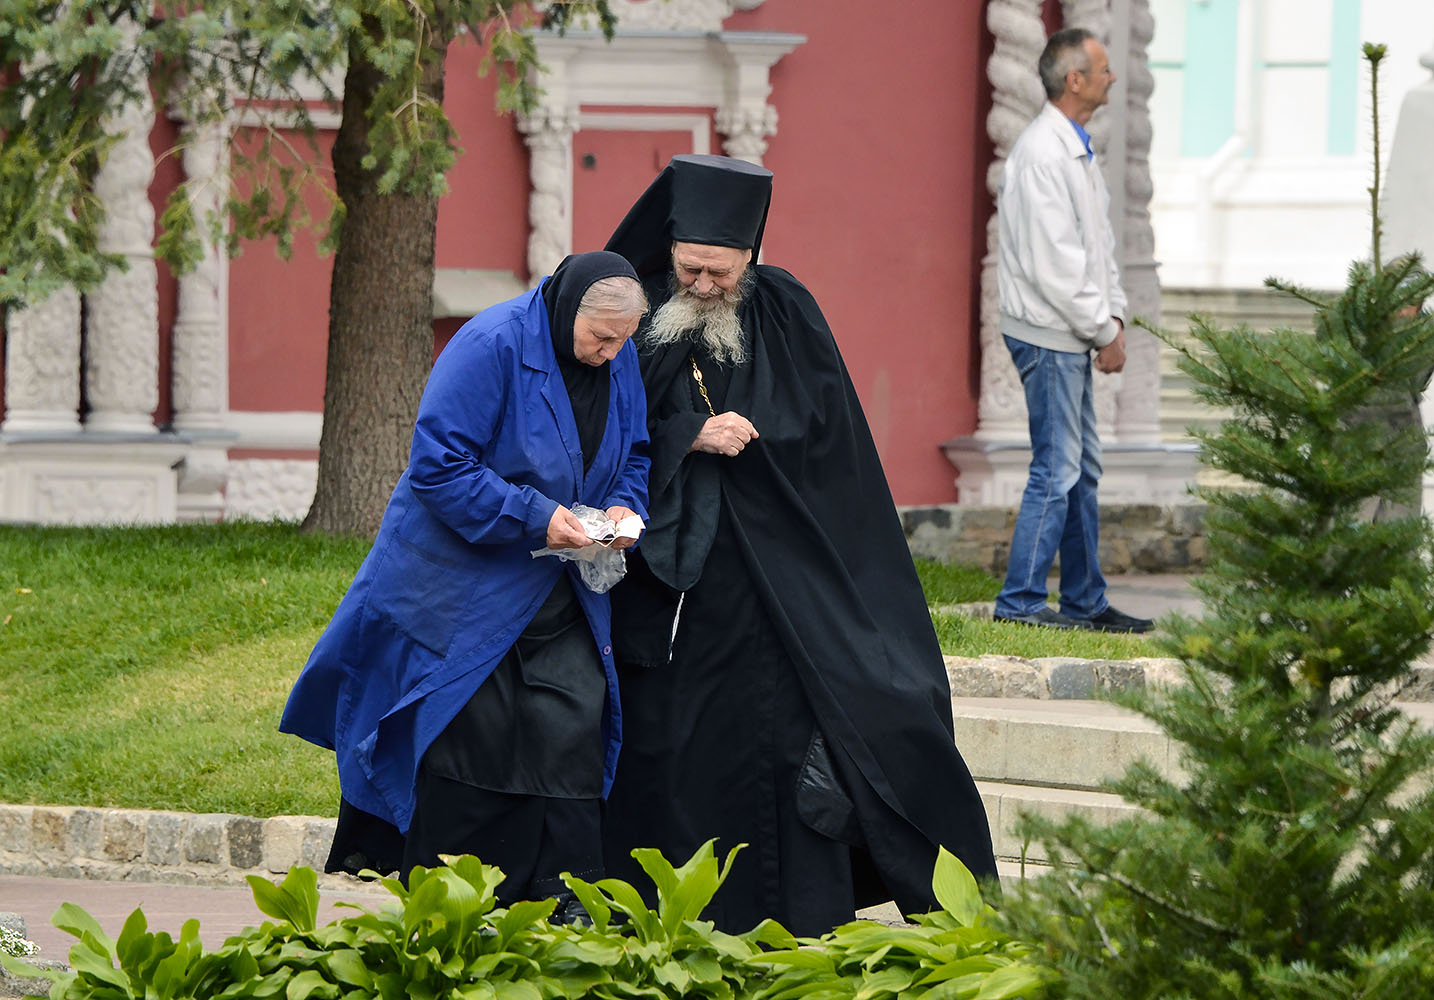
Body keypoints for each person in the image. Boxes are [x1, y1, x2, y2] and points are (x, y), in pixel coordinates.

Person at [599, 154, 999, 936]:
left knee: (794, 739)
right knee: (674, 750)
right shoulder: (636, 312)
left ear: (750, 256)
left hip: (780, 578)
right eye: (690, 268)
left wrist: (755, 445)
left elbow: (829, 440)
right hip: (674, 587)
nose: (702, 286)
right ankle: (670, 919)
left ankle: (795, 916)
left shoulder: (785, 309)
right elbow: (606, 429)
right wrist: (688, 435)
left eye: (719, 271)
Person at [279, 251, 651, 918]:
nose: (613, 354)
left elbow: (636, 452)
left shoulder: (620, 359)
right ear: (569, 314)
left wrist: (624, 505)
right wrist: (537, 516)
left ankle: (560, 899)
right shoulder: (490, 344)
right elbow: (439, 467)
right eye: (602, 338)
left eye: (624, 341)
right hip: (465, 590)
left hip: (559, 594)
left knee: (573, 727)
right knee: (465, 737)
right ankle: (454, 909)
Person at [990, 27, 1154, 634]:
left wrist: (1110, 317)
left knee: (1080, 469)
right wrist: (1101, 329)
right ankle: (1022, 605)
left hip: (1068, 330)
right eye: (1104, 69)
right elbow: (1056, 266)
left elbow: (1097, 247)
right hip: (1048, 333)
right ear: (1075, 79)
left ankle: (1086, 601)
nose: (1113, 77)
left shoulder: (1073, 149)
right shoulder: (1041, 154)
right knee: (1057, 470)